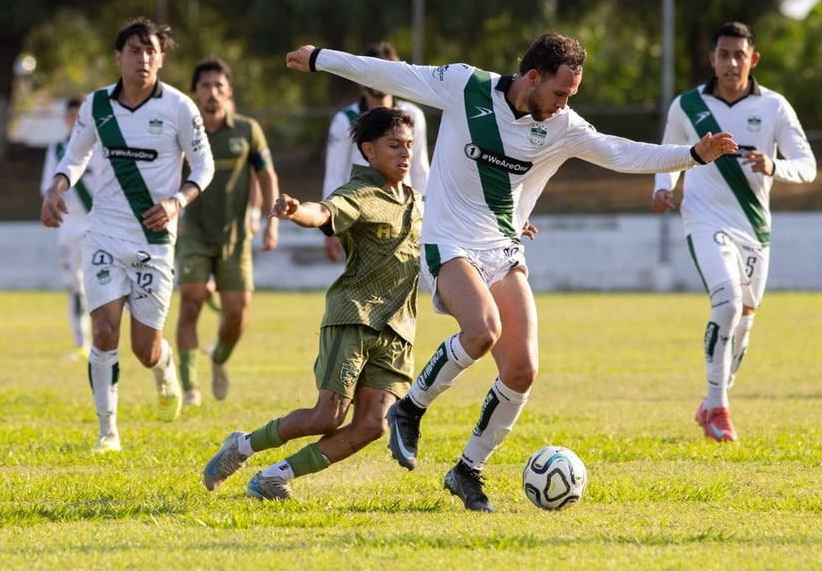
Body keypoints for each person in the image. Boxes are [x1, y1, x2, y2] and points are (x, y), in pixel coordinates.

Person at [284, 33, 738, 512]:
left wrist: (691, 155)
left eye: (572, 96)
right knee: (481, 332)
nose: (565, 103)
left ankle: (467, 470)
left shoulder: (561, 124)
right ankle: (409, 409)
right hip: (448, 241)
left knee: (522, 369)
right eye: (560, 92)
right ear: (533, 77)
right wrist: (319, 59)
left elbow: (620, 152)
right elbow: (394, 75)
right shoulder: (465, 86)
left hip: (501, 246)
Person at [202, 106, 423, 500]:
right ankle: (243, 446)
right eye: (394, 145)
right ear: (369, 151)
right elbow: (323, 212)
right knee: (328, 415)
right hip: (355, 316)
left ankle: (274, 477)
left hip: (399, 329)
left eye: (409, 145)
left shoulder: (419, 201)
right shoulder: (359, 193)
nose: (405, 153)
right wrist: (294, 210)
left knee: (373, 425)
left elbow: (459, 226)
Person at [40, 16, 214, 453]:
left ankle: (165, 365)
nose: (144, 58)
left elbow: (205, 167)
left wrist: (177, 201)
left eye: (152, 51)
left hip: (155, 240)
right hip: (104, 232)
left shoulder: (178, 107)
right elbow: (75, 157)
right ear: (118, 56)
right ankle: (108, 433)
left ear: (162, 58)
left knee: (144, 349)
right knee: (103, 333)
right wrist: (56, 187)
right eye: (134, 51)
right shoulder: (97, 105)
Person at [652, 21, 816, 442]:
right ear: (712, 59)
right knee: (725, 301)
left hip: (754, 228)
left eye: (739, 55)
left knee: (743, 322)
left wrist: (774, 166)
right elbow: (668, 154)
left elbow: (808, 166)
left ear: (752, 59)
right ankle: (719, 406)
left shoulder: (775, 107)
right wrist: (663, 188)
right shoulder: (687, 106)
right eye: (723, 55)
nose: (730, 63)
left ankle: (710, 403)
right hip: (704, 220)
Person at [174, 57, 280, 407]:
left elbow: (265, 176)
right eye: (205, 86)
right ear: (194, 92)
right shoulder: (182, 130)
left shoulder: (247, 130)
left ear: (229, 91)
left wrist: (270, 219)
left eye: (219, 86)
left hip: (235, 237)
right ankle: (189, 388)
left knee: (237, 314)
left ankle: (218, 358)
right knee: (190, 300)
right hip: (193, 232)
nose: (212, 93)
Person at [321, 40, 430, 262]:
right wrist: (328, 224)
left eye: (385, 72)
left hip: (404, 212)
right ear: (360, 77)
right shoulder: (345, 120)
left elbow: (420, 170)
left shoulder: (412, 116)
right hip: (360, 213)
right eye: (373, 72)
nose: (379, 80)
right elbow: (334, 173)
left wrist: (428, 217)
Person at [40, 96, 98, 361]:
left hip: (97, 223)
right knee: (73, 284)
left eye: (80, 116)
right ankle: (80, 342)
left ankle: (104, 340)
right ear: (65, 118)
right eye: (71, 116)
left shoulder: (101, 147)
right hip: (69, 225)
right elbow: (47, 187)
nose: (75, 121)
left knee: (101, 284)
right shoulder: (58, 149)